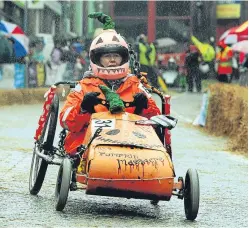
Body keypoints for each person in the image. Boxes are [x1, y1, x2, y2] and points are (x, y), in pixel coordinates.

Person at [59, 13, 161, 189]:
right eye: (107, 56)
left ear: (124, 58)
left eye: (116, 55)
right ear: (97, 59)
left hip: (132, 142)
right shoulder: (84, 86)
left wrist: (144, 106)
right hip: (89, 142)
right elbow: (66, 120)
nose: (112, 60)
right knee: (78, 147)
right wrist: (84, 108)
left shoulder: (135, 85)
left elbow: (156, 119)